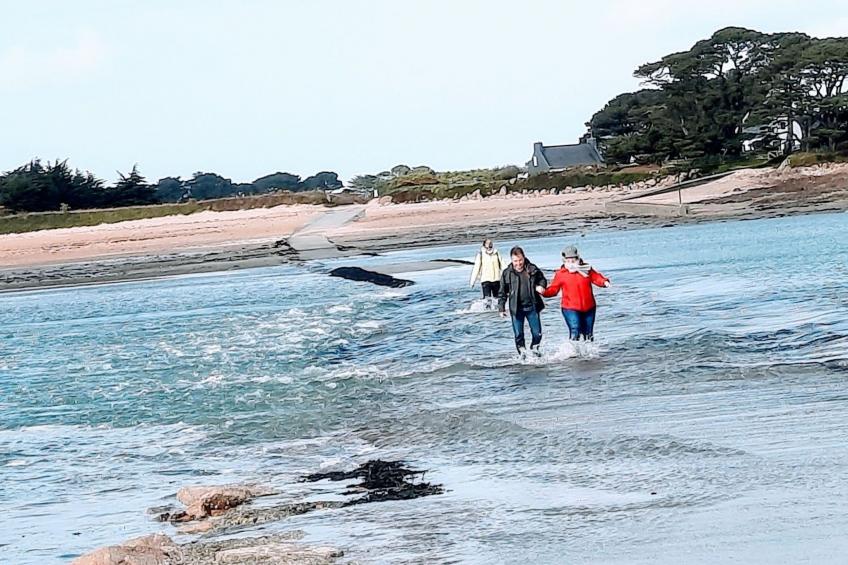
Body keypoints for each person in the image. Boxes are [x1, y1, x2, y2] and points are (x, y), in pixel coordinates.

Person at [537, 245, 610, 341]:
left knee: (588, 334)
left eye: (573, 261)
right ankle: (572, 353)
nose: (571, 263)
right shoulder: (560, 274)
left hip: (589, 307)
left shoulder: (586, 269)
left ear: (578, 259)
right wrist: (543, 292)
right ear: (564, 261)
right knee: (575, 329)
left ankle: (588, 354)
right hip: (570, 308)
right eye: (568, 261)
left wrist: (604, 282)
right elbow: (554, 290)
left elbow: (596, 278)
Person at [498, 246, 547, 355]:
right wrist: (501, 308)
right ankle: (523, 356)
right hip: (516, 309)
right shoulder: (507, 273)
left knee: (537, 334)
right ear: (511, 260)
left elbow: (542, 279)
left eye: (520, 260)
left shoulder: (532, 269)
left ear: (524, 258)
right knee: (518, 335)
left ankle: (534, 353)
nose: (518, 263)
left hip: (532, 307)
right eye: (515, 261)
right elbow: (502, 293)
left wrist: (541, 286)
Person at [469, 239, 504, 303]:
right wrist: (472, 282)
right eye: (488, 243)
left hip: (496, 280)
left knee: (498, 299)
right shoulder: (480, 254)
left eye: (491, 243)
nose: (490, 244)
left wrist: (510, 275)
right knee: (487, 300)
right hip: (485, 281)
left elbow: (503, 265)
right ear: (484, 245)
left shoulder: (496, 253)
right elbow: (476, 268)